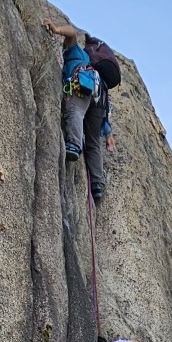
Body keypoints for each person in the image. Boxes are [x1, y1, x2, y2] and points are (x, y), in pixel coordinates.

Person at [44, 20, 120, 204]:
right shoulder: (100, 74)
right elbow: (101, 121)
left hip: (83, 84)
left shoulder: (77, 53)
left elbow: (70, 32)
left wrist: (55, 29)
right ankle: (97, 184)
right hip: (100, 96)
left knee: (75, 109)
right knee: (93, 142)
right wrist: (108, 133)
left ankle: (74, 145)